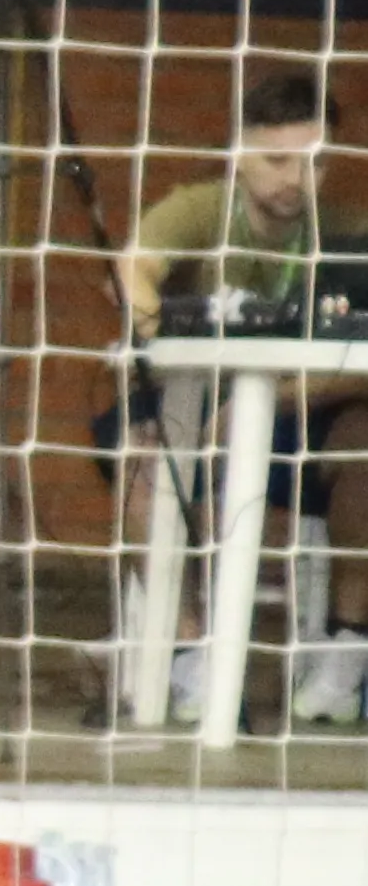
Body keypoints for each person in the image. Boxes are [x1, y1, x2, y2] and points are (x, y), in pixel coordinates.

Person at [115, 65, 365, 686]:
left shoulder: (345, 232)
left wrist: (276, 402)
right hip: (187, 409)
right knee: (143, 457)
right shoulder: (200, 210)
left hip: (299, 419)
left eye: (314, 163)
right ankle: (189, 648)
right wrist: (164, 332)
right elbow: (130, 272)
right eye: (276, 160)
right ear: (239, 152)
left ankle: (347, 644)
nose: (295, 180)